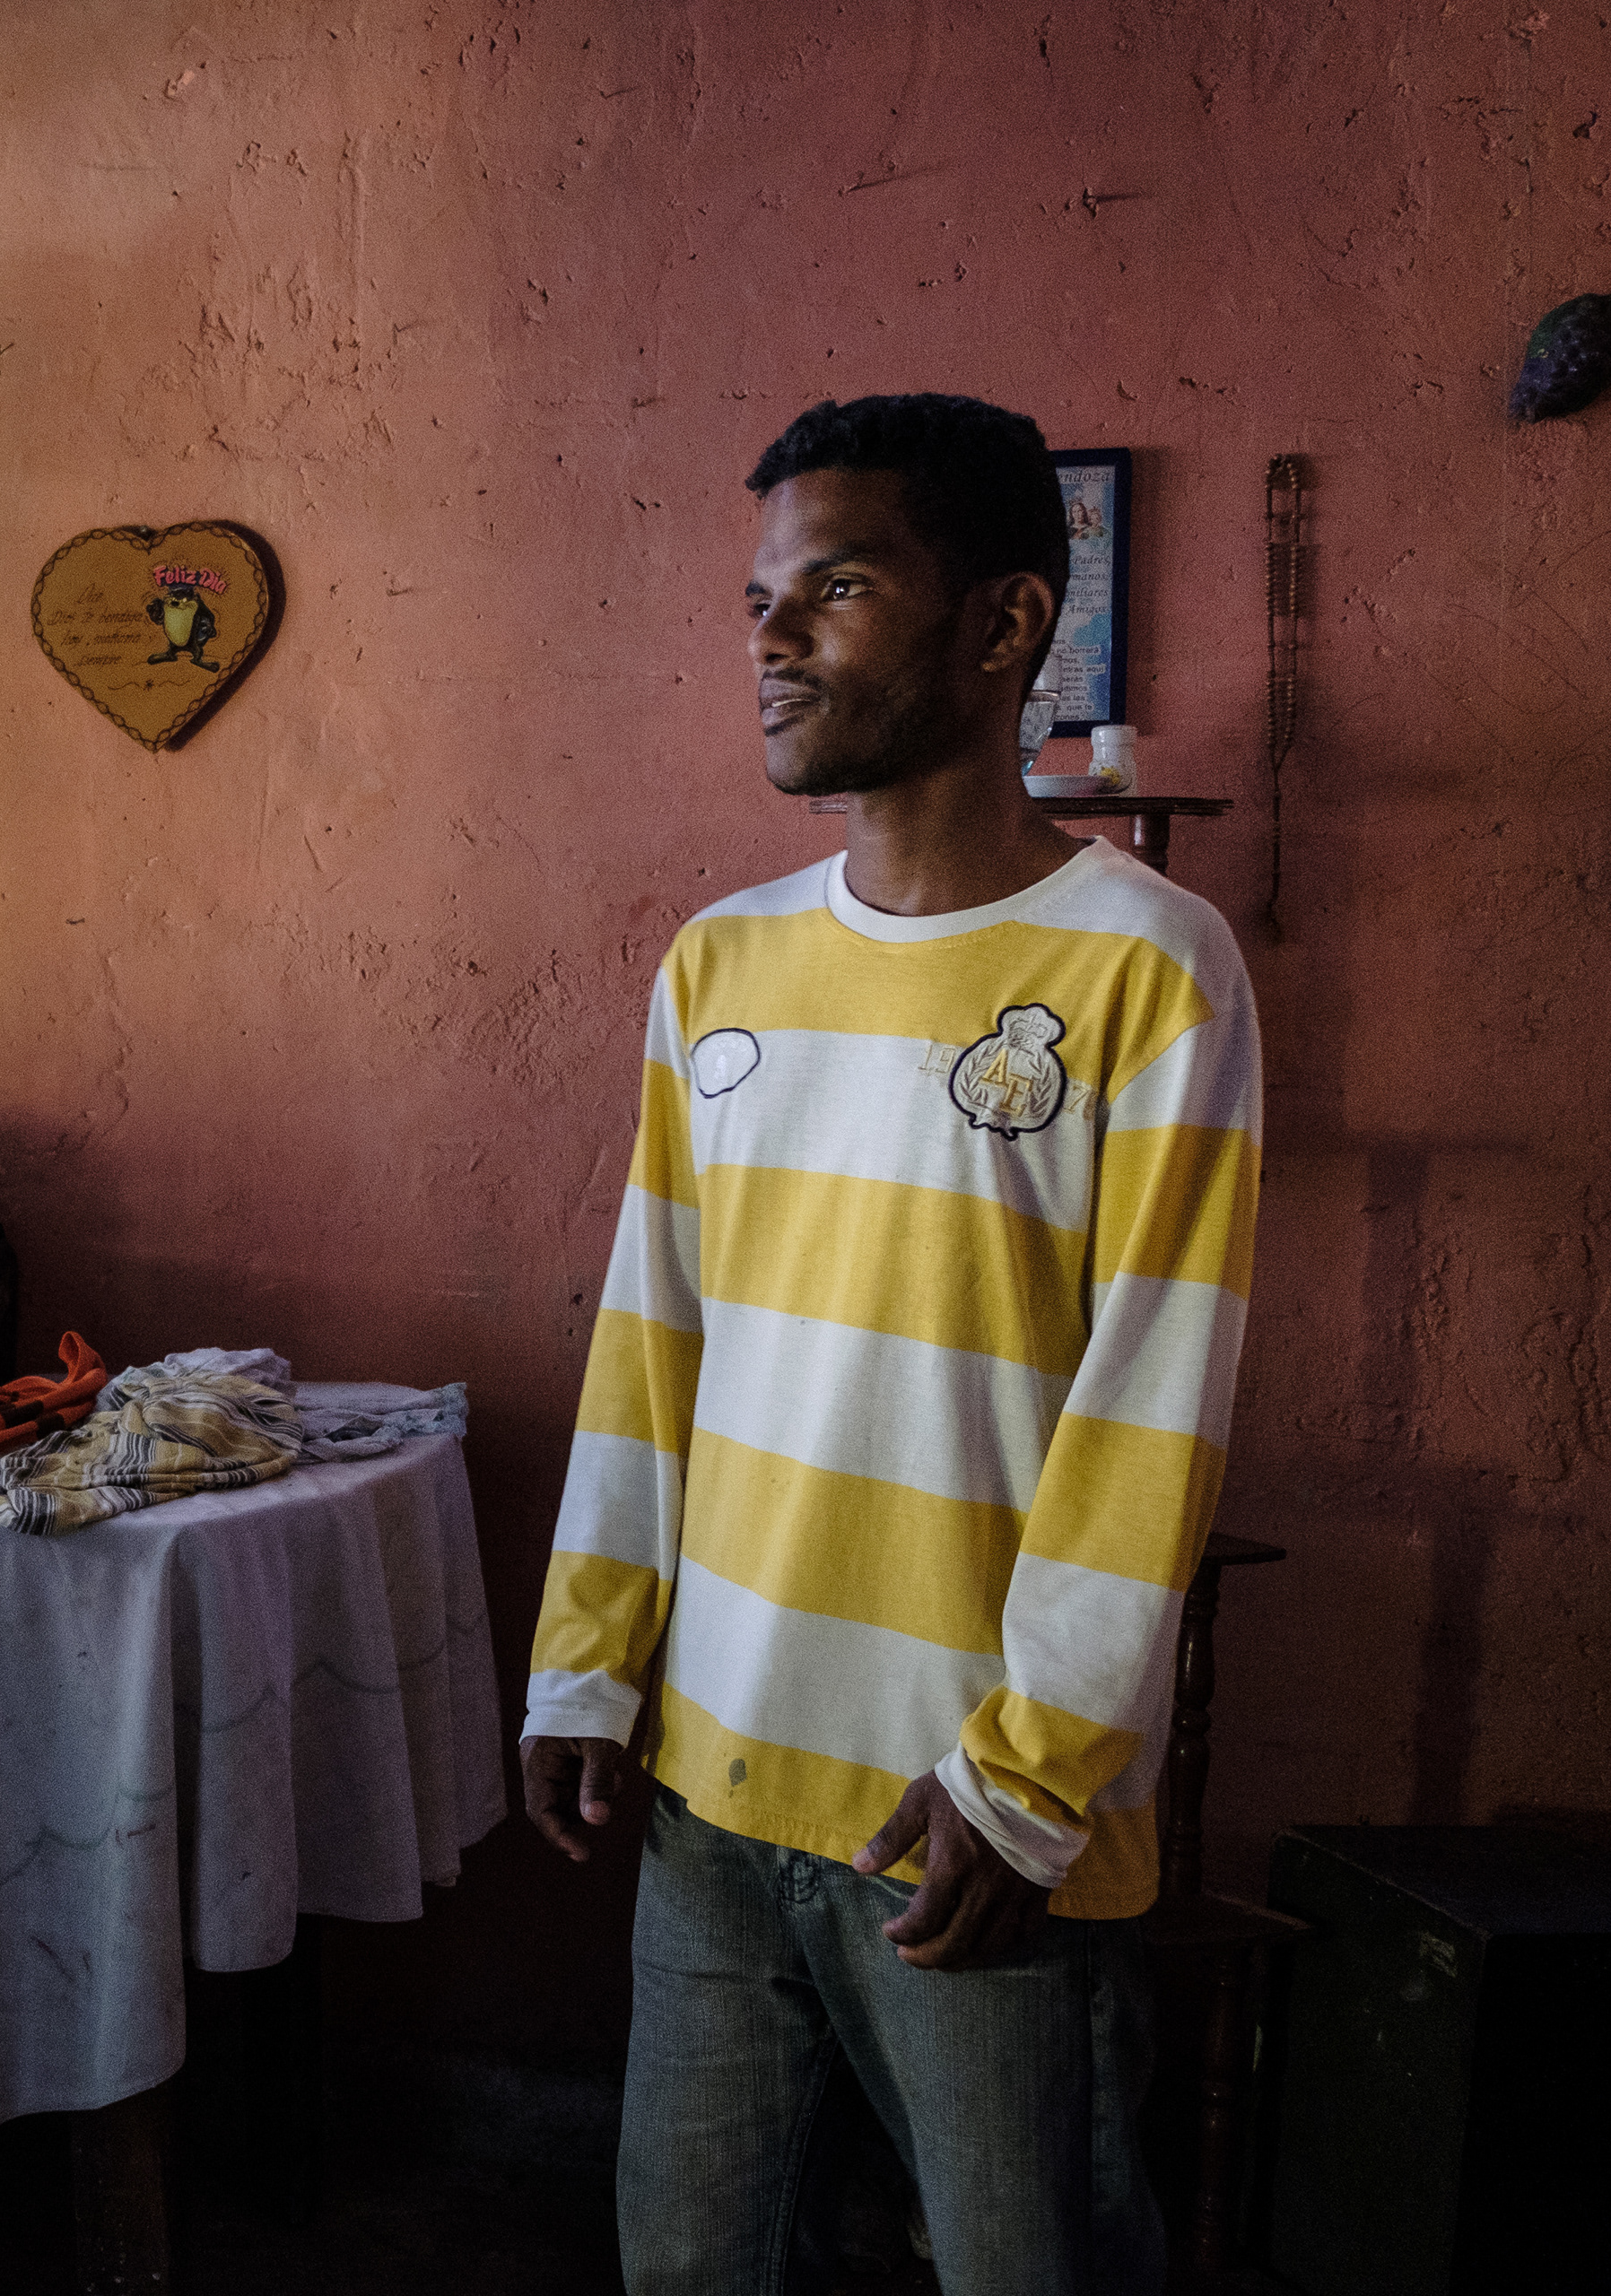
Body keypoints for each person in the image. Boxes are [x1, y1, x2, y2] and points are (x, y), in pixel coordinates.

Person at [521, 393, 1261, 2295]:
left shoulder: (1146, 966)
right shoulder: (722, 961)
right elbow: (649, 1333)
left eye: (834, 587)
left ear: (1004, 625)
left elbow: (1149, 1411)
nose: (768, 638)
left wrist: (1027, 1776)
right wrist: (586, 1666)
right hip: (709, 1791)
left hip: (976, 1816)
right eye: (761, 594)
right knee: (687, 2260)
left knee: (1028, 2262)